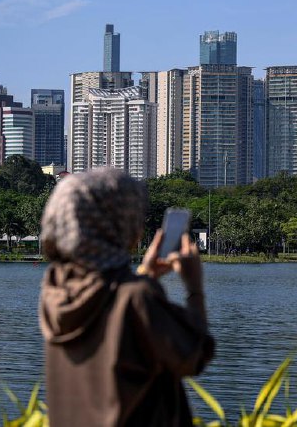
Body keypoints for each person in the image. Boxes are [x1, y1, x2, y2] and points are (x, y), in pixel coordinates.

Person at [38, 168, 215, 426]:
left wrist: (144, 274)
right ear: (120, 224)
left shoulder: (54, 290)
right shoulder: (137, 297)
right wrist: (194, 287)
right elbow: (194, 355)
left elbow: (113, 308)